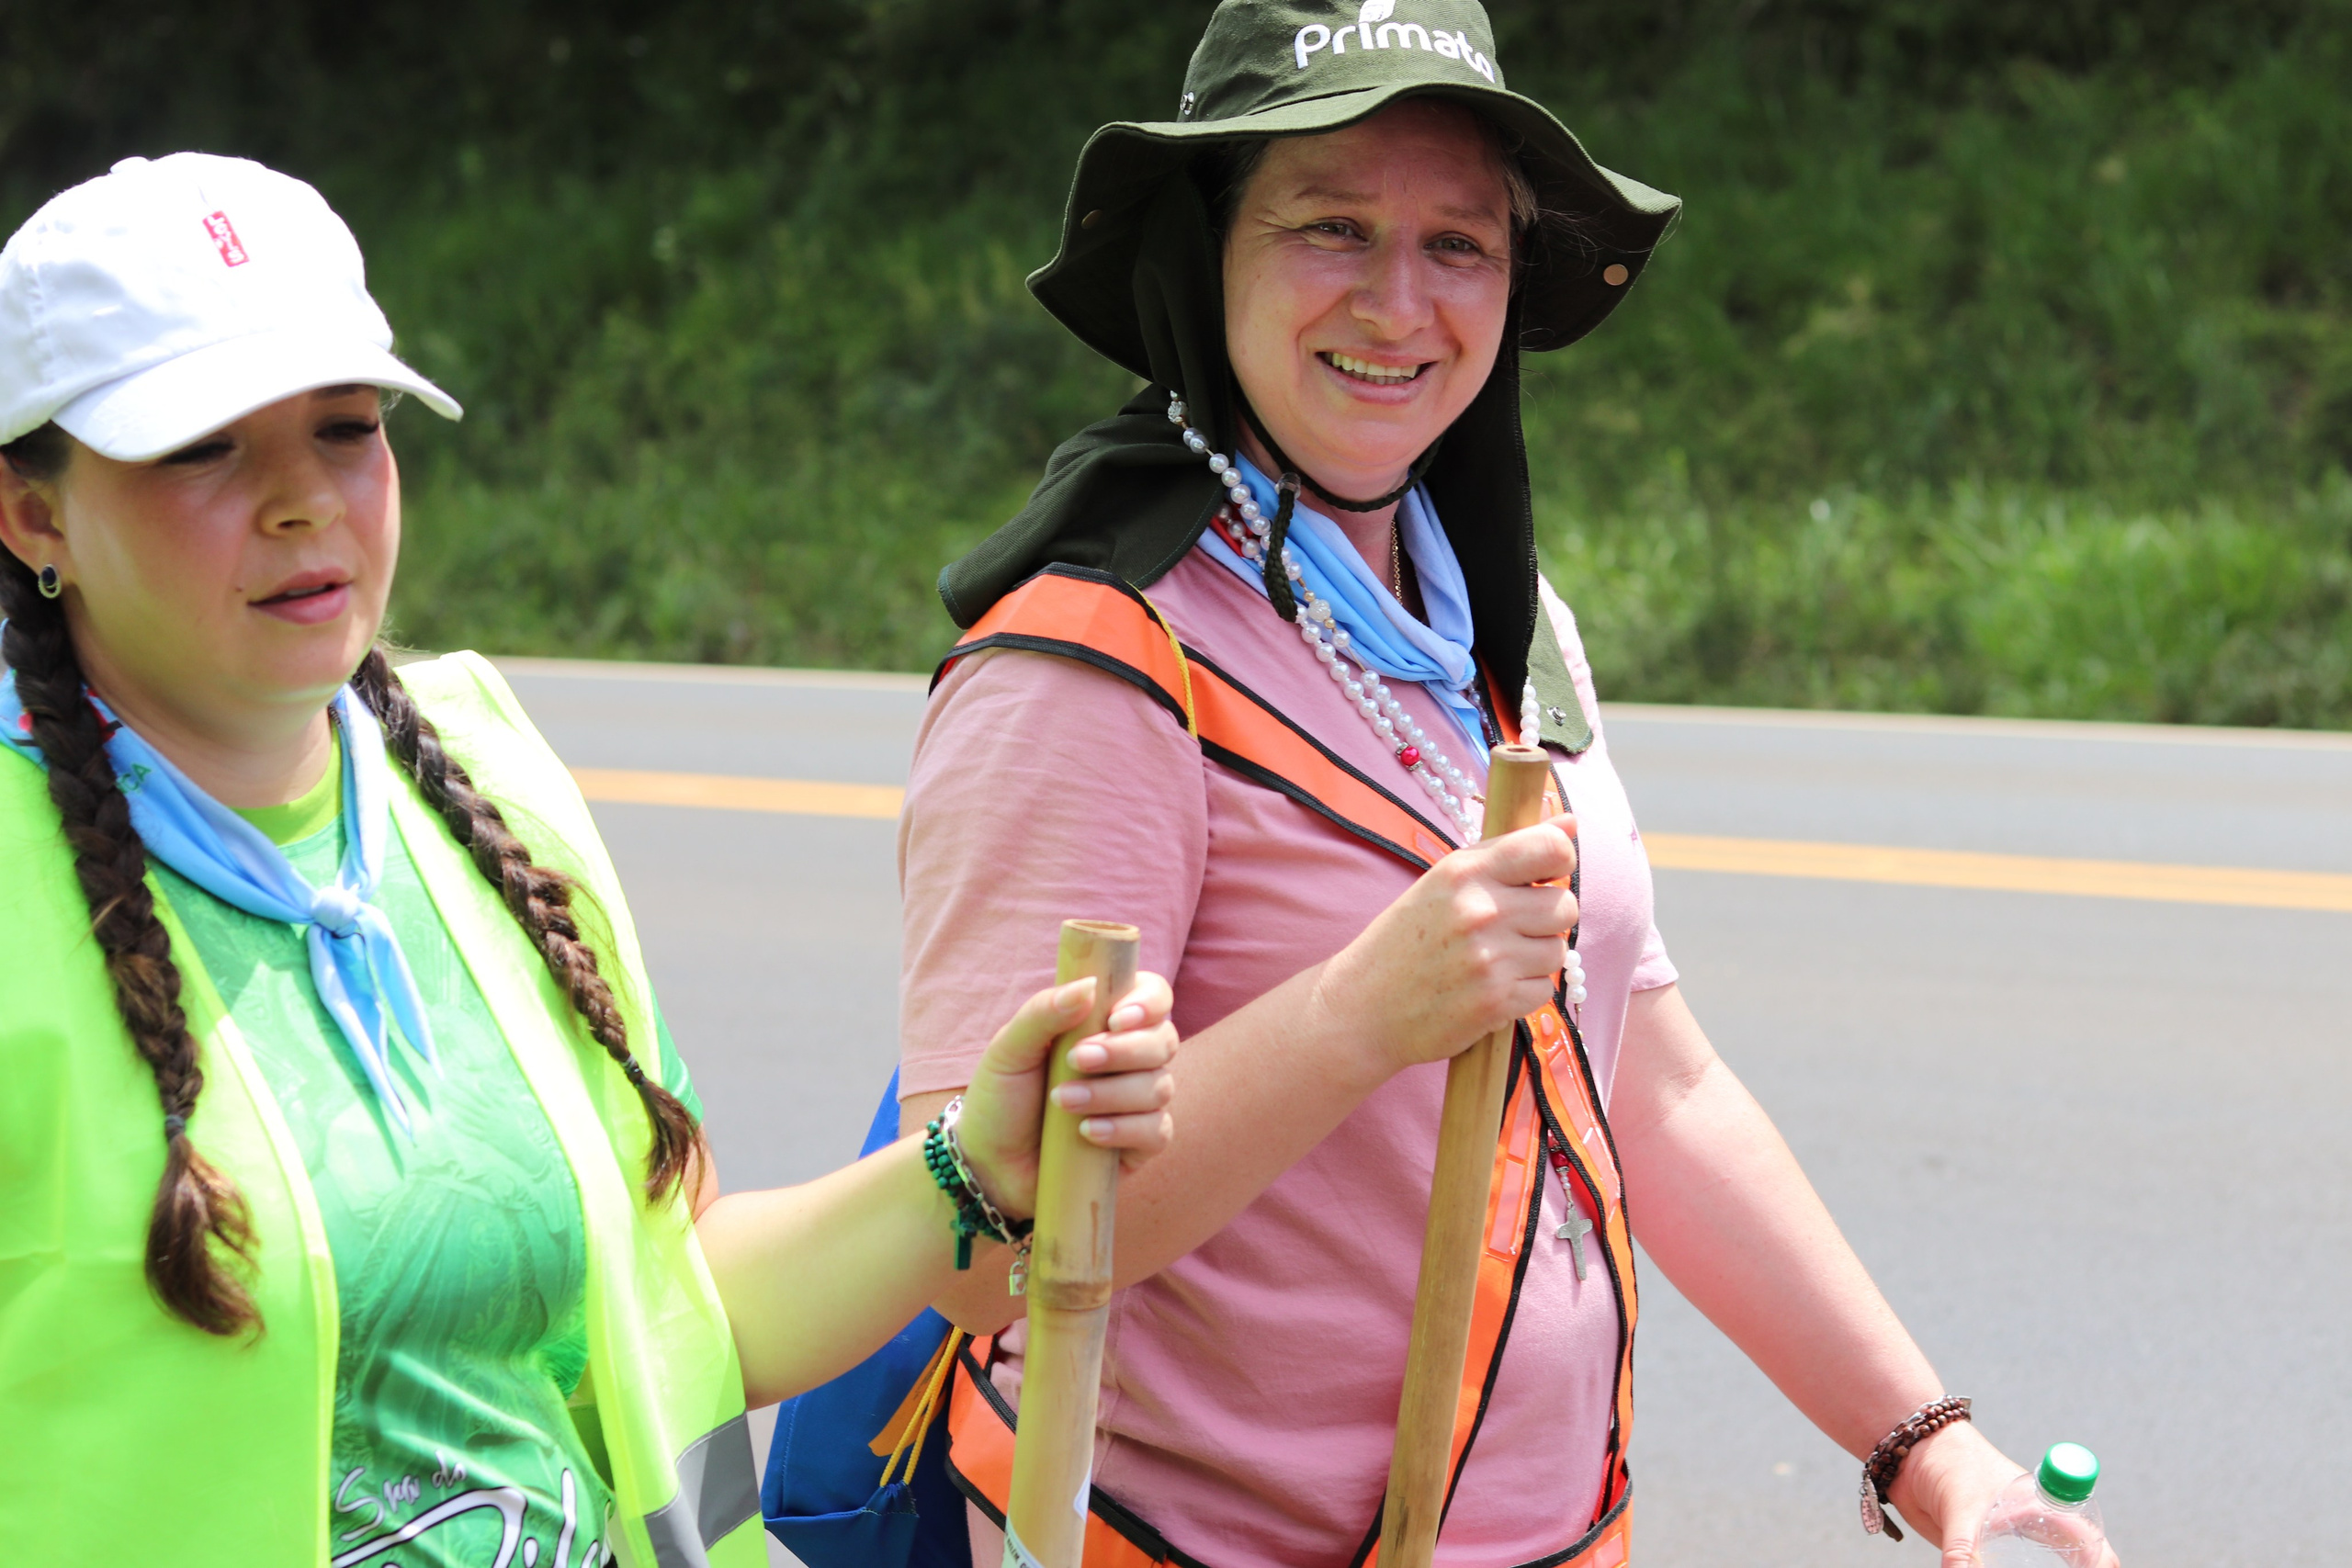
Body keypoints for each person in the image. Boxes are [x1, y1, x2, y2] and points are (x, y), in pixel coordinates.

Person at [895, 6, 2109, 1568]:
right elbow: (961, 1251)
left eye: (1458, 245)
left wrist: (1926, 1446)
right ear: (1204, 254)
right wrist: (1355, 1018)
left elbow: (1649, 1080)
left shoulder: (1498, 619)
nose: (1399, 302)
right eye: (1331, 224)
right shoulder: (1092, 664)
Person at [0, 152, 1177, 1567]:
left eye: (347, 428)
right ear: (33, 512)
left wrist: (971, 1166)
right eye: (203, 447)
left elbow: (679, 1310)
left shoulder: (484, 769)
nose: (304, 500)